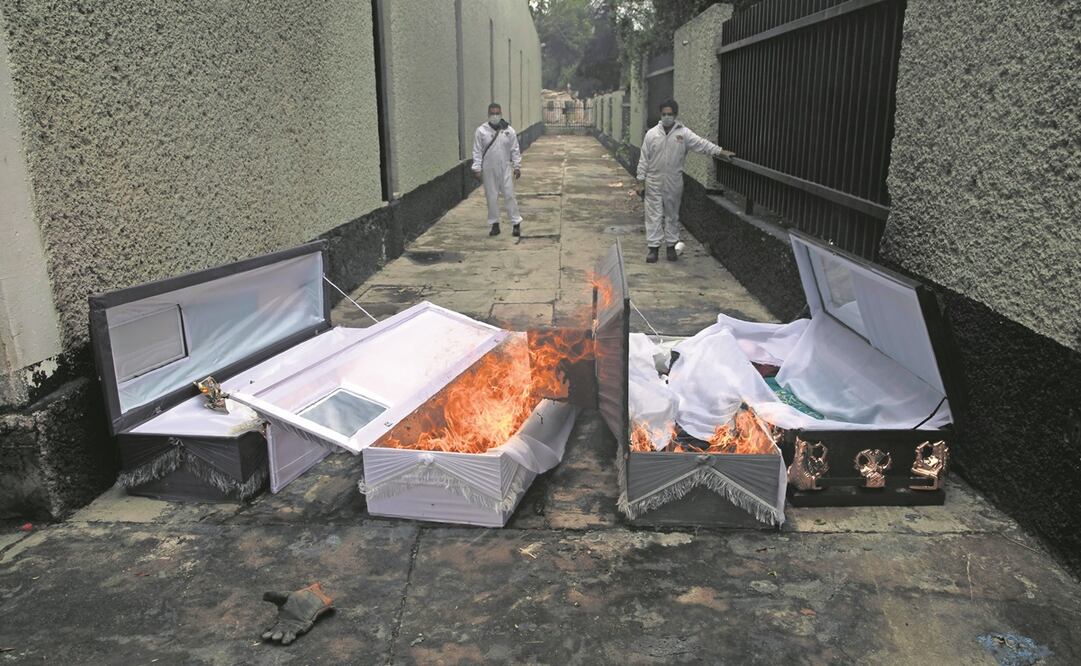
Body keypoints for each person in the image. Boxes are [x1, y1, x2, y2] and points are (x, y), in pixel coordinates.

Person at [635, 99, 735, 262]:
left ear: (675, 115)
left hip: (674, 180)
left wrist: (720, 152)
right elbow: (644, 159)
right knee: (653, 214)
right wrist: (640, 180)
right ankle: (653, 249)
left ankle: (670, 248)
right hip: (653, 180)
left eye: (670, 114)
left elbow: (702, 144)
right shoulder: (652, 134)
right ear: (660, 115)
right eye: (664, 114)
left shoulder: (683, 134)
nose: (667, 117)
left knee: (672, 215)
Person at [471, 103, 522, 237]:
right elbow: (477, 151)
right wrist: (476, 167)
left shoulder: (509, 131)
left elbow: (515, 149)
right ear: (488, 115)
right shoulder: (481, 131)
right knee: (491, 197)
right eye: (492, 113)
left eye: (497, 113)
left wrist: (517, 166)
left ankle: (516, 223)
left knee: (509, 195)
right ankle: (495, 224)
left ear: (501, 114)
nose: (495, 116)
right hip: (488, 169)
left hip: (505, 168)